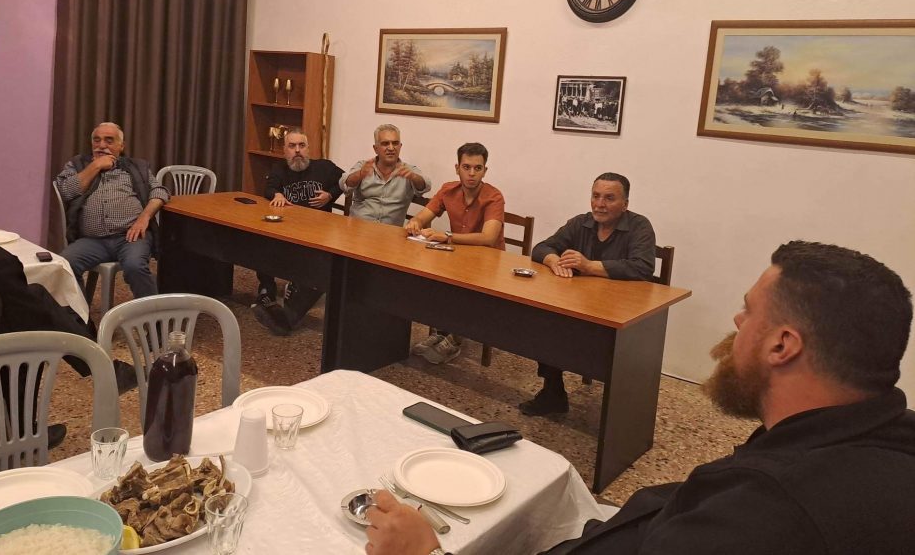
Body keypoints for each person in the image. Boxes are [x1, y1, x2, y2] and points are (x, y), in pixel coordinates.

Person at [366, 241, 915, 555]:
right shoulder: (871, 440)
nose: (736, 321)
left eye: (749, 311)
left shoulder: (767, 516)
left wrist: (425, 553)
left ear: (781, 345)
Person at [0, 151, 137, 448]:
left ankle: (96, 363)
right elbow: (29, 319)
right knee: (24, 325)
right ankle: (23, 433)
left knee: (28, 302)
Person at [520, 172, 655, 416]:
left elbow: (643, 267)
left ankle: (621, 412)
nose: (600, 204)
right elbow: (542, 247)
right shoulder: (580, 223)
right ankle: (553, 392)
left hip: (620, 315)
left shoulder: (639, 226)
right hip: (580, 307)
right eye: (596, 196)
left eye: (609, 198)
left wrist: (589, 266)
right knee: (544, 323)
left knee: (584, 343)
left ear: (625, 204)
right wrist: (554, 261)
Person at [404, 142, 505, 365]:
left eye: (477, 168)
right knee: (431, 278)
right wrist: (415, 222)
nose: (471, 173)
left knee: (461, 287)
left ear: (485, 170)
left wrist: (447, 236)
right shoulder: (448, 190)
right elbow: (424, 215)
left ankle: (455, 338)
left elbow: (488, 237)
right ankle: (441, 332)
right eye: (466, 167)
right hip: (457, 256)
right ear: (457, 168)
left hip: (488, 263)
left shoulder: (494, 196)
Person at [55, 122, 169, 299]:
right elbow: (66, 191)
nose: (101, 145)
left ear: (121, 146)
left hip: (130, 236)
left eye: (109, 141)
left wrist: (144, 217)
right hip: (92, 240)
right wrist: (96, 166)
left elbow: (160, 191)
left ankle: (154, 315)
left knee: (135, 266)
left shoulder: (136, 167)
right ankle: (79, 315)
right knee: (64, 265)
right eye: (97, 140)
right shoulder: (77, 165)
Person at [252, 129, 343, 336]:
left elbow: (345, 181)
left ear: (308, 148)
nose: (297, 151)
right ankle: (267, 289)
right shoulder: (279, 169)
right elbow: (268, 188)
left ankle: (294, 293)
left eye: (302, 145)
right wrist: (276, 194)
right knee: (261, 240)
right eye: (292, 146)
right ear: (285, 150)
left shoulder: (325, 167)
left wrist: (330, 195)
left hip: (318, 230)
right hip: (288, 228)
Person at [340, 124, 431, 225]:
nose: (391, 148)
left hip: (390, 231)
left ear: (400, 146)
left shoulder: (408, 170)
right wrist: (360, 174)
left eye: (395, 143)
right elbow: (344, 183)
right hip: (359, 227)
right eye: (385, 143)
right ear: (375, 148)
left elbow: (426, 185)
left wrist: (413, 177)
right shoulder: (364, 166)